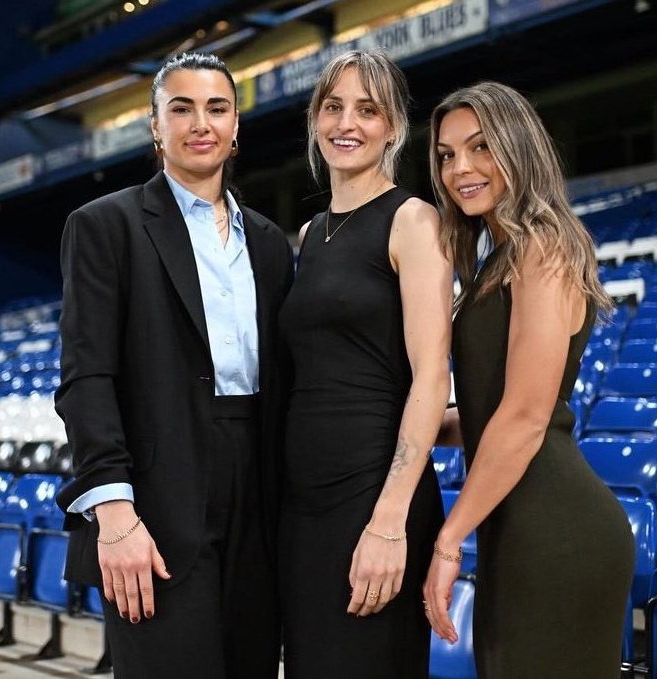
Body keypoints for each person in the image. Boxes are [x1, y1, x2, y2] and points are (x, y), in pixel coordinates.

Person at [54, 52, 294, 679]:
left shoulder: (269, 242)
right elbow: (86, 378)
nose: (200, 123)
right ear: (156, 127)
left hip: (259, 496)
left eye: (217, 108)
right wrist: (114, 514)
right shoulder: (105, 226)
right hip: (156, 503)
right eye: (181, 109)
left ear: (236, 127)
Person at [423, 81, 635, 678]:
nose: (460, 168)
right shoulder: (499, 256)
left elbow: (525, 418)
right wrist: (420, 430)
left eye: (481, 147)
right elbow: (492, 412)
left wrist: (448, 540)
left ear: (518, 146)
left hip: (556, 530)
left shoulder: (543, 245)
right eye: (446, 154)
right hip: (515, 527)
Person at [278, 49, 453, 678]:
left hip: (374, 494)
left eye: (367, 109)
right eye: (333, 107)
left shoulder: (413, 220)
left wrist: (389, 519)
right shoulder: (310, 233)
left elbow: (431, 375)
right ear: (314, 120)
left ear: (394, 127)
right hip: (304, 504)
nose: (346, 123)